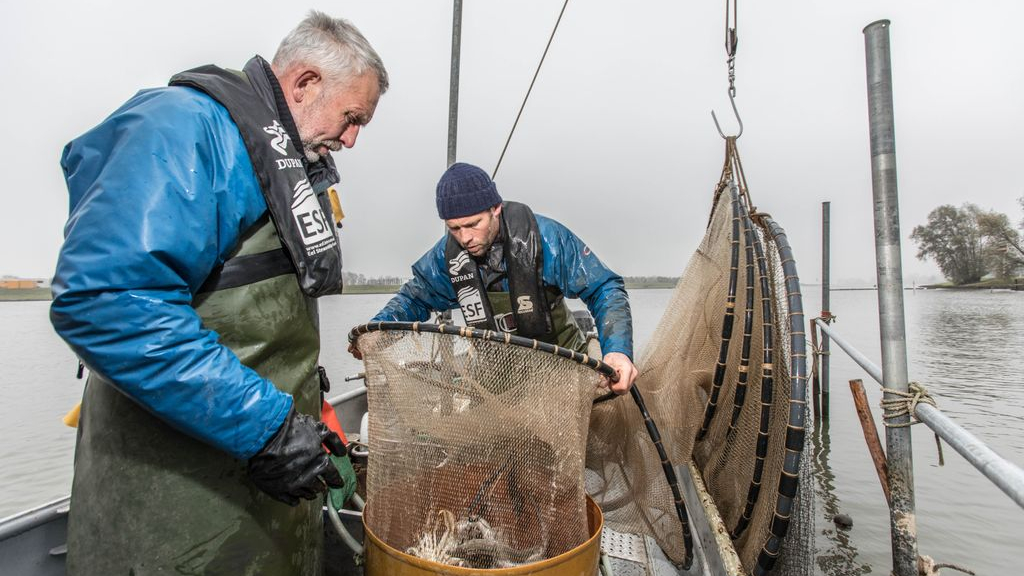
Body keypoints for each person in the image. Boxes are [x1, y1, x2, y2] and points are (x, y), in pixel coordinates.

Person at [50, 11, 387, 575]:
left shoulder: (286, 159)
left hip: (260, 498)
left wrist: (307, 407)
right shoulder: (184, 128)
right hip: (179, 509)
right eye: (352, 118)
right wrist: (267, 429)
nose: (352, 139)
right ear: (304, 84)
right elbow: (106, 298)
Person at [350, 162, 638, 394]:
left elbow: (604, 288)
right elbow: (413, 297)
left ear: (495, 208)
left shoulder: (547, 239)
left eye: (474, 224)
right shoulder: (447, 256)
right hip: (496, 377)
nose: (465, 238)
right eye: (454, 228)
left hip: (560, 366)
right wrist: (376, 333)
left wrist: (618, 352)